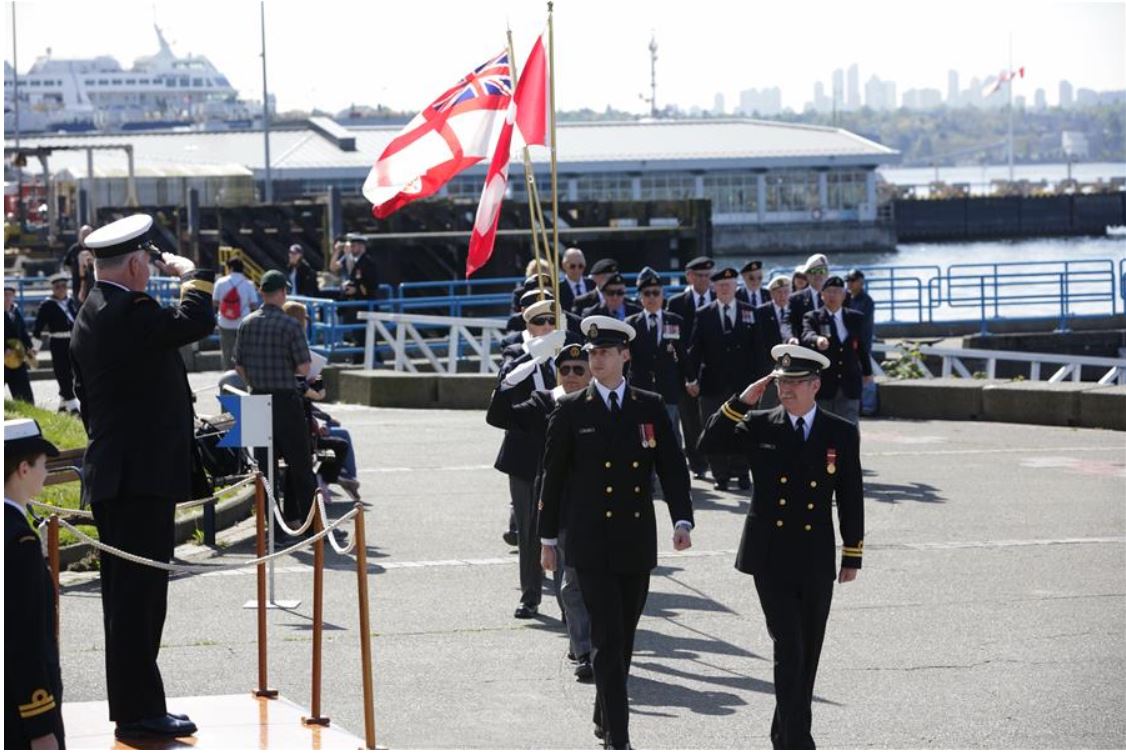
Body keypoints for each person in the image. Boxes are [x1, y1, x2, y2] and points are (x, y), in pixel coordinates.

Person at [70, 212, 212, 740]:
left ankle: (138, 707)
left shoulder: (96, 309)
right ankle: (138, 715)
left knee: (132, 602)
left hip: (122, 475)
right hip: (136, 480)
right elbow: (195, 322)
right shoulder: (127, 311)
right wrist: (193, 274)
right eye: (146, 264)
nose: (150, 273)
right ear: (134, 265)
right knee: (138, 603)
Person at [698, 343, 864, 750]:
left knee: (808, 651)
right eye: (780, 382)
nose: (785, 390)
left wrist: (852, 551)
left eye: (794, 383)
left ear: (815, 385)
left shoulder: (840, 431)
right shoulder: (759, 424)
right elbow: (708, 444)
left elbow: (850, 494)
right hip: (770, 554)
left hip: (815, 554)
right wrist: (741, 401)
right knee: (789, 647)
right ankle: (796, 741)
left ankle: (783, 732)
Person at [540, 315, 694, 750]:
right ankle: (618, 738)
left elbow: (672, 468)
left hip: (635, 539)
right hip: (589, 542)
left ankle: (603, 712)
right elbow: (552, 478)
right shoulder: (572, 409)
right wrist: (547, 540)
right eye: (592, 352)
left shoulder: (649, 406)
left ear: (625, 355)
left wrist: (682, 519)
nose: (596, 359)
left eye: (605, 352)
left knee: (623, 637)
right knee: (606, 637)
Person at [487, 342, 594, 682]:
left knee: (578, 582)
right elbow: (499, 417)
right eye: (565, 370)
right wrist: (508, 381)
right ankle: (582, 647)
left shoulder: (600, 403)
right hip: (553, 501)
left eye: (579, 369)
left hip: (590, 503)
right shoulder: (543, 402)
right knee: (567, 581)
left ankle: (582, 643)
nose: (572, 375)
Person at [489, 299, 560, 618]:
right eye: (540, 322)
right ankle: (530, 595)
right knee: (529, 530)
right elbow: (504, 379)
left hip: (559, 451)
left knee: (562, 527)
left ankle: (568, 601)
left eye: (551, 322)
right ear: (528, 325)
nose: (546, 328)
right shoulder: (516, 351)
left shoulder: (564, 351)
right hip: (524, 454)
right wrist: (534, 356)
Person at [234, 270, 317, 528]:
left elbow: (238, 365)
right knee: (300, 465)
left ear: (261, 292)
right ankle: (311, 526)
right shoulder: (290, 325)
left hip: (256, 399)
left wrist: (253, 382)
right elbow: (304, 367)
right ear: (282, 293)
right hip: (285, 400)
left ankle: (272, 529)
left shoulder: (246, 323)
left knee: (264, 470)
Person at [5, 418, 65, 750]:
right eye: (43, 464)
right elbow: (23, 640)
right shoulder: (19, 541)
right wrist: (40, 724)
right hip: (18, 716)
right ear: (24, 469)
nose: (46, 473)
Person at [687, 266, 758, 491]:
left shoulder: (749, 311)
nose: (725, 288)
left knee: (743, 427)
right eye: (720, 285)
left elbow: (758, 349)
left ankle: (742, 472)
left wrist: (760, 381)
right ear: (714, 288)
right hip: (712, 383)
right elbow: (695, 350)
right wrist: (691, 378)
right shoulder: (704, 313)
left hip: (742, 383)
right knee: (715, 429)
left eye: (729, 284)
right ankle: (721, 475)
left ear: (736, 286)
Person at [282, 301, 360, 502]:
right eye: (305, 320)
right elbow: (310, 393)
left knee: (336, 435)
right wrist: (314, 393)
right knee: (339, 441)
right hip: (299, 422)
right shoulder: (296, 350)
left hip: (301, 415)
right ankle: (336, 477)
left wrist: (315, 388)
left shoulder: (286, 348)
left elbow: (314, 391)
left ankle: (342, 477)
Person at [625, 270, 692, 442]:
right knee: (645, 436)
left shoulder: (675, 321)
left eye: (656, 293)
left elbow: (683, 354)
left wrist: (691, 379)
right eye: (647, 293)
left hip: (667, 388)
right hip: (641, 387)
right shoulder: (631, 324)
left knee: (670, 433)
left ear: (663, 295)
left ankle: (673, 461)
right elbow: (625, 359)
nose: (652, 297)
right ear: (640, 297)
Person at [799, 275, 873, 427]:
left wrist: (867, 372)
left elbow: (862, 347)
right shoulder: (813, 317)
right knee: (824, 427)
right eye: (829, 292)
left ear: (844, 295)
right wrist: (817, 339)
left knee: (849, 427)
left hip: (850, 382)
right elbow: (806, 335)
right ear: (822, 295)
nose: (833, 296)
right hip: (824, 383)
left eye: (837, 292)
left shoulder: (855, 318)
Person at [665, 256, 715, 479]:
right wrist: (687, 374)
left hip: (713, 370)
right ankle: (697, 464)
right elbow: (673, 341)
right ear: (689, 277)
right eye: (699, 275)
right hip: (685, 371)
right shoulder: (676, 303)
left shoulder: (718, 298)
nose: (704, 280)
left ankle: (717, 461)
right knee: (690, 420)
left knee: (714, 418)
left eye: (707, 275)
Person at [32, 273, 80, 414]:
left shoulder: (71, 302)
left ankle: (62, 405)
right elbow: (38, 328)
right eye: (57, 287)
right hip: (58, 342)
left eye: (63, 286)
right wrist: (34, 349)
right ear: (53, 289)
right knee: (62, 372)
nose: (61, 289)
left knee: (72, 373)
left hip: (73, 342)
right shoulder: (47, 305)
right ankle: (73, 406)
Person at [753, 275, 797, 409]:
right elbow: (758, 342)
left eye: (785, 292)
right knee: (768, 403)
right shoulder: (761, 311)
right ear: (771, 294)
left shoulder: (796, 310)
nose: (782, 296)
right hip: (770, 367)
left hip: (793, 366)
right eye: (778, 292)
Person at [212, 257, 259, 369]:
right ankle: (243, 376)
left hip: (225, 322)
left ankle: (228, 375)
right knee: (244, 353)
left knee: (227, 353)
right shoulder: (249, 284)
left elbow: (215, 302)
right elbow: (254, 305)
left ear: (230, 268)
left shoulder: (220, 282)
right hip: (244, 323)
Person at [845, 269, 878, 416]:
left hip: (862, 343)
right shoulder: (847, 298)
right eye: (848, 281)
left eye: (852, 281)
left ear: (860, 282)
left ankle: (869, 406)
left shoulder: (866, 301)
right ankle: (858, 405)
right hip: (849, 343)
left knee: (866, 373)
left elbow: (861, 323)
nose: (849, 284)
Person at [5, 283, 36, 404]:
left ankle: (28, 412)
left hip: (17, 358)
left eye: (10, 295)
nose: (7, 298)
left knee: (24, 396)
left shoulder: (16, 312)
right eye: (4, 295)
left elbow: (23, 332)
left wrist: (29, 347)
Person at [788, 253, 830, 335]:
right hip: (806, 341)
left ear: (827, 274)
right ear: (807, 275)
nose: (818, 275)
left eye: (822, 271)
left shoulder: (841, 295)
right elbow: (788, 323)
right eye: (814, 271)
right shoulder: (796, 299)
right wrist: (791, 337)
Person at [61, 224, 93, 302]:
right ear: (79, 235)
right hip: (77, 285)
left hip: (93, 285)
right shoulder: (73, 249)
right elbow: (66, 265)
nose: (85, 236)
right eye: (83, 234)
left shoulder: (95, 248)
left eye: (88, 234)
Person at [558, 247, 594, 314]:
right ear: (564, 265)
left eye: (580, 266)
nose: (577, 270)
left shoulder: (592, 284)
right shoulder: (558, 289)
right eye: (572, 266)